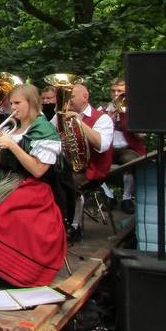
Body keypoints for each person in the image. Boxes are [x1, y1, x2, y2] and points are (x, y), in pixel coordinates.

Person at [0, 84, 67, 287]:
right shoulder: (12, 128)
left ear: (32, 103)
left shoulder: (44, 130)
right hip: (4, 180)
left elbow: (38, 170)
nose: (13, 107)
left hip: (31, 185)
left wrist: (12, 145)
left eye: (18, 103)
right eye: (11, 103)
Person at [51, 83, 114, 241]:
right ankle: (52, 223)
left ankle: (73, 226)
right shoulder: (59, 116)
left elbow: (102, 145)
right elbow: (50, 137)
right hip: (64, 166)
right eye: (65, 97)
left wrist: (80, 123)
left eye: (71, 97)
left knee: (68, 184)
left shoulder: (102, 118)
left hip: (91, 169)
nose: (67, 101)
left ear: (85, 97)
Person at [99, 77, 145, 214]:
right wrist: (107, 119)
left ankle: (127, 198)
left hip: (126, 149)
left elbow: (140, 135)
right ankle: (108, 195)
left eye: (119, 91)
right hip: (107, 149)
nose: (116, 94)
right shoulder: (102, 109)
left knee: (133, 161)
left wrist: (128, 117)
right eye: (113, 91)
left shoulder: (135, 109)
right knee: (90, 163)